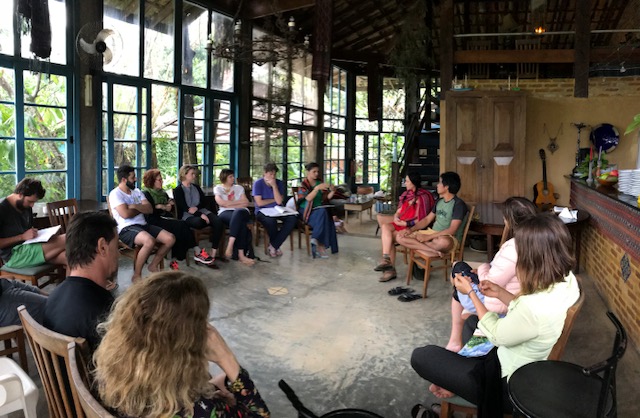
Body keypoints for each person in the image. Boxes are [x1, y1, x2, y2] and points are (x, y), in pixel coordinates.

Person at [410, 213, 580, 417]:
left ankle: (456, 382)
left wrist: (471, 293)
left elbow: (498, 334)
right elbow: (524, 313)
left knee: (422, 356)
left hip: (506, 383)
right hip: (519, 358)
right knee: (473, 321)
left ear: (532, 259)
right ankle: (455, 379)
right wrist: (500, 293)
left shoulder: (534, 307)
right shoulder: (567, 281)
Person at [93, 271, 271, 418]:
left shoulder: (114, 375)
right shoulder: (198, 411)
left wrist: (209, 395)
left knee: (221, 381)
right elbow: (260, 414)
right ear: (187, 340)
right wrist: (226, 358)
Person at [445, 197, 538, 352]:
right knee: (460, 273)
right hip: (515, 294)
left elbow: (492, 281)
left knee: (458, 272)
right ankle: (456, 336)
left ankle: (456, 337)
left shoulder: (515, 247)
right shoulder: (536, 241)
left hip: (499, 301)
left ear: (510, 220)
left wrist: (483, 267)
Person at [43, 211, 119, 350]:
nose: (118, 254)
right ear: (102, 247)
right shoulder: (104, 313)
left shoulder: (54, 296)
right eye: (116, 246)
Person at [109, 165, 175, 281]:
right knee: (149, 241)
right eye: (132, 177)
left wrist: (134, 206)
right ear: (124, 179)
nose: (135, 179)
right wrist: (140, 208)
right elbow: (125, 214)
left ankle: (153, 265)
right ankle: (137, 275)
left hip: (143, 225)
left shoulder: (137, 191)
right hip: (126, 229)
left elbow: (149, 209)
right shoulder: (115, 194)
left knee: (170, 238)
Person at [395, 172, 467, 267]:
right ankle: (431, 250)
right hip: (432, 234)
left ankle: (420, 246)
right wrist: (410, 230)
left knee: (443, 242)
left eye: (440, 182)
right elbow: (427, 220)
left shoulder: (458, 204)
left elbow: (452, 230)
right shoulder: (439, 201)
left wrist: (427, 238)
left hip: (449, 237)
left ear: (446, 187)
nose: (437, 185)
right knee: (400, 237)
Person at [374, 171, 435, 282]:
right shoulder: (406, 195)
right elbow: (399, 211)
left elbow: (421, 219)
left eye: (407, 181)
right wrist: (396, 217)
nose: (405, 183)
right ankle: (386, 259)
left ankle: (389, 270)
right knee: (385, 227)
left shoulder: (423, 197)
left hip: (413, 227)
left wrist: (406, 224)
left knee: (389, 237)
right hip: (401, 222)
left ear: (413, 182)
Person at [0, 178, 66, 269]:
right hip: (14, 255)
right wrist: (22, 237)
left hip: (29, 247)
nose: (32, 205)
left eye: (34, 202)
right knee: (69, 238)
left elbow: (28, 230)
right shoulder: (2, 208)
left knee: (71, 258)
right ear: (20, 194)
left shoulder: (26, 206)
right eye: (30, 201)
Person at [141, 169, 196, 269]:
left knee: (179, 230)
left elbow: (169, 207)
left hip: (165, 218)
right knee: (182, 226)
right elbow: (151, 211)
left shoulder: (162, 193)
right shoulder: (146, 194)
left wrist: (168, 204)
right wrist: (163, 207)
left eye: (161, 179)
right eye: (159, 180)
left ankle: (175, 259)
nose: (162, 181)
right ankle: (195, 250)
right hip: (153, 222)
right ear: (152, 181)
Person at [173, 165, 225, 266]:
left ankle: (213, 252)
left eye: (194, 174)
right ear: (184, 175)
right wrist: (200, 215)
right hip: (187, 216)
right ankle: (199, 252)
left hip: (201, 211)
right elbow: (185, 208)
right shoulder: (178, 190)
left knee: (218, 222)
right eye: (192, 174)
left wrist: (197, 209)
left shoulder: (196, 187)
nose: (194, 176)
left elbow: (204, 202)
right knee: (199, 222)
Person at [252, 162, 298, 258]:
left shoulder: (279, 183)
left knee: (292, 218)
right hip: (262, 211)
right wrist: (273, 200)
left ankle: (274, 245)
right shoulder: (258, 183)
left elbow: (279, 201)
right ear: (265, 173)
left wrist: (274, 186)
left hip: (277, 209)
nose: (273, 177)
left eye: (274, 174)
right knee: (271, 221)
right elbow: (259, 203)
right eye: (270, 174)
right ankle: (275, 246)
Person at [297, 162, 338, 258]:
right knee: (324, 216)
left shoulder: (320, 183)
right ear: (308, 172)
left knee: (323, 213)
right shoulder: (303, 185)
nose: (316, 174)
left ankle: (316, 239)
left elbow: (326, 198)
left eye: (317, 172)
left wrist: (333, 191)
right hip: (306, 211)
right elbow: (308, 199)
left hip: (318, 210)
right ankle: (321, 247)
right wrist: (316, 189)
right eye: (314, 171)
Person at [214, 169, 255, 266]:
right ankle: (241, 255)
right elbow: (221, 203)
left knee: (238, 212)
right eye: (230, 177)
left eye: (233, 176)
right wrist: (237, 203)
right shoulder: (218, 188)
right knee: (242, 223)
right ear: (224, 178)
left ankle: (230, 244)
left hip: (242, 211)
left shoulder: (239, 188)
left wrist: (229, 204)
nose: (233, 178)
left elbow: (246, 202)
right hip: (225, 213)